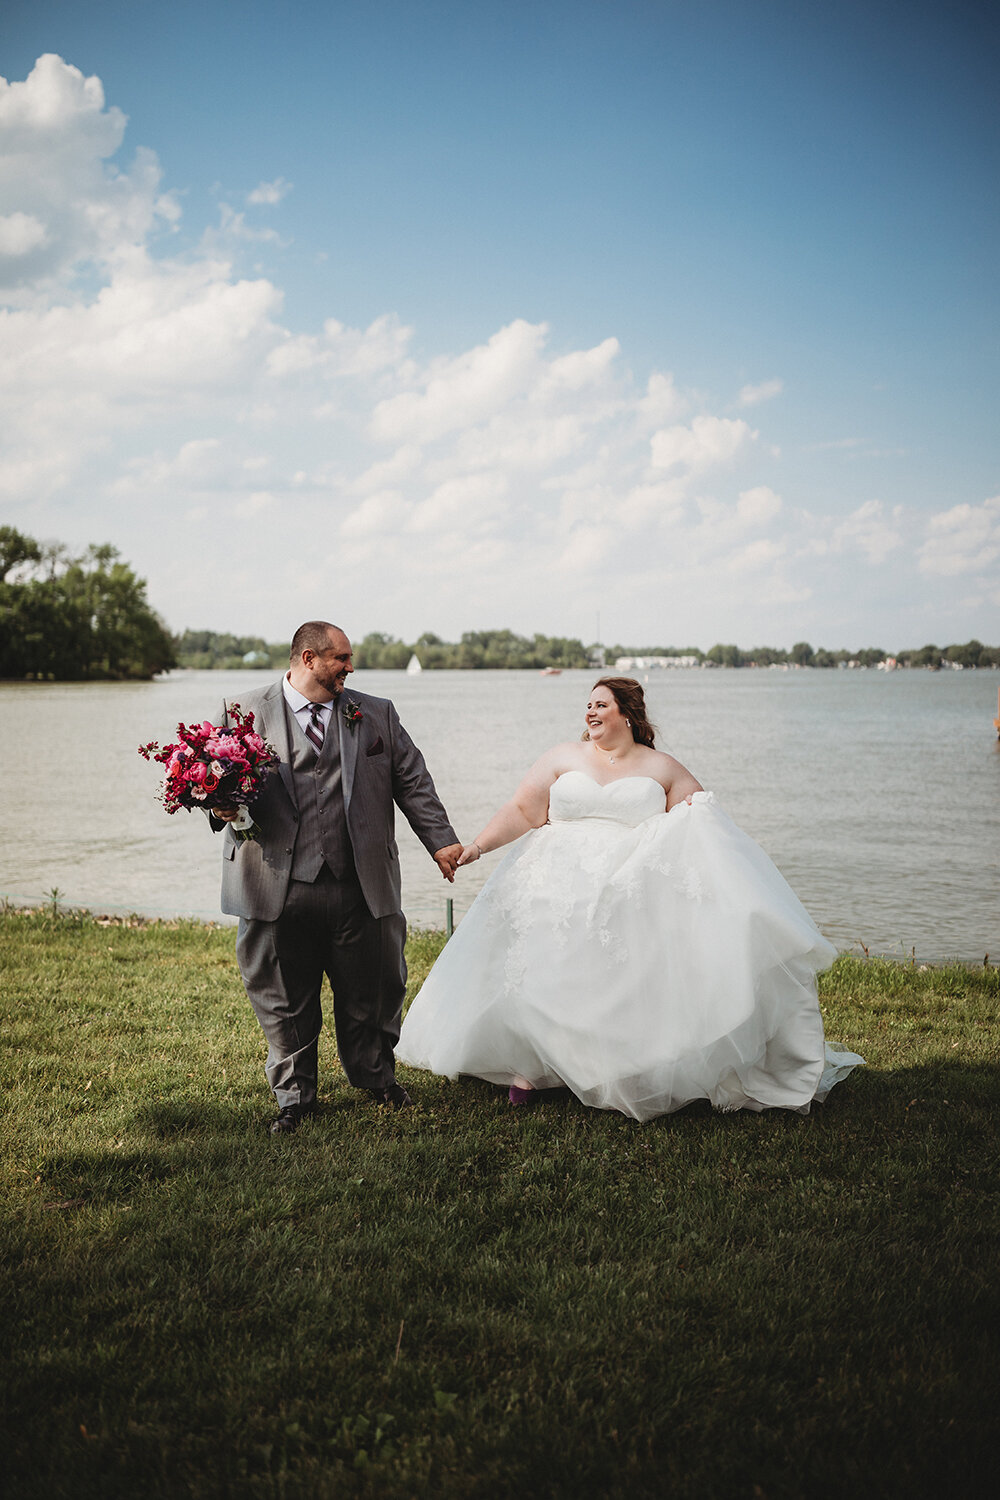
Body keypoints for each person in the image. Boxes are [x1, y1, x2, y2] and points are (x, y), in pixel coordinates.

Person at [396, 677, 863, 1120]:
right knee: (540, 970)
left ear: (627, 714)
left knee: (618, 978)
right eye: (588, 704)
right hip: (551, 880)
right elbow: (523, 810)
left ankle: (621, 1068)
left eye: (601, 703)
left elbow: (700, 824)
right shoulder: (562, 757)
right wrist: (476, 846)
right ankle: (532, 1068)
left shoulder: (662, 767)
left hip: (627, 881)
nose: (590, 711)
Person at [211, 621, 462, 1132]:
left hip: (361, 883)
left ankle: (375, 1076)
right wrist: (217, 802)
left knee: (375, 986)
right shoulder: (243, 711)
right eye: (341, 659)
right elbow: (215, 786)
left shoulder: (375, 713)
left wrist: (441, 841)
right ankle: (294, 1098)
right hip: (275, 882)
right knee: (282, 995)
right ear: (308, 659)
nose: (351, 667)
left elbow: (412, 779)